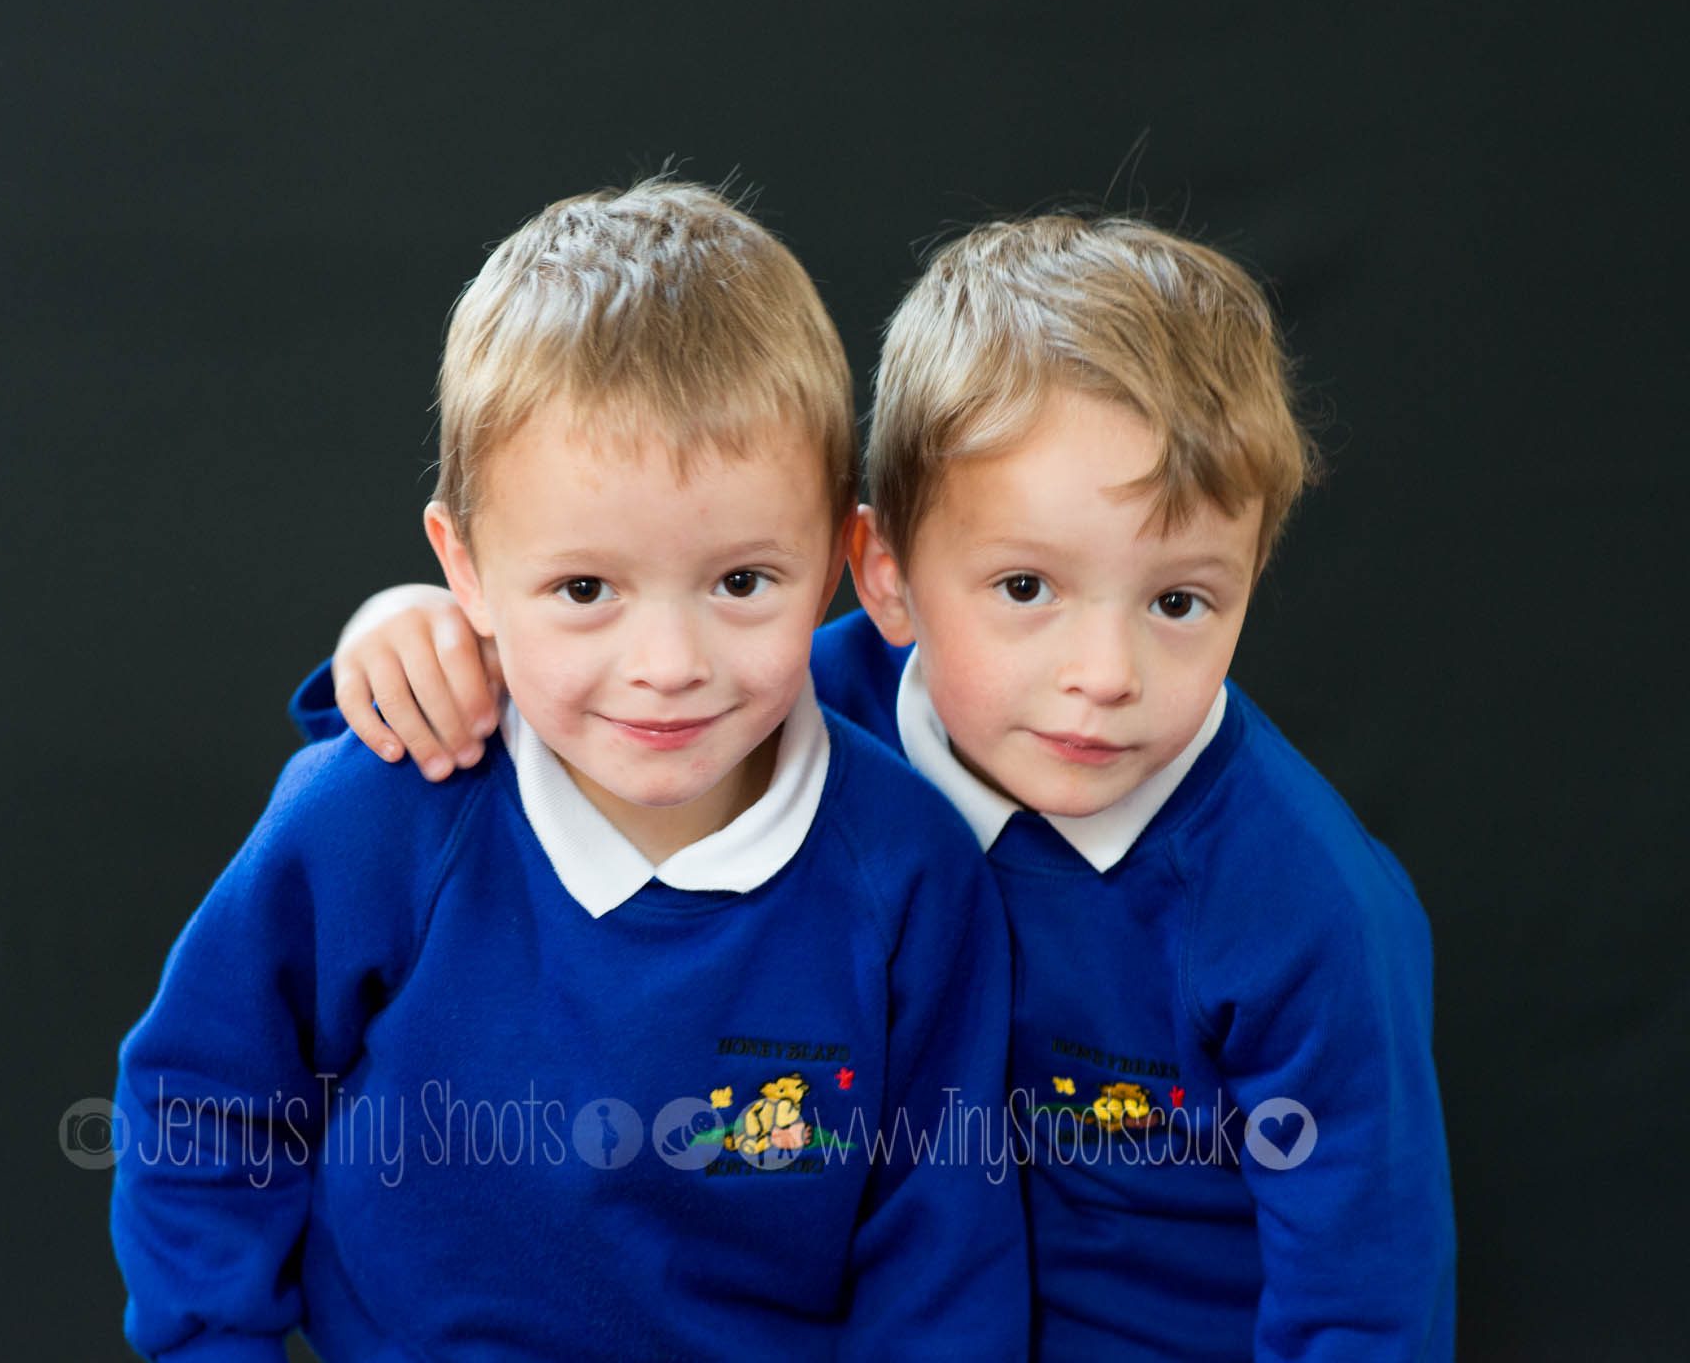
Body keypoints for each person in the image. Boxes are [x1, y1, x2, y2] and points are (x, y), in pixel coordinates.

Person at [307, 213, 1457, 1360]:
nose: (1102, 676)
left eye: (1177, 602)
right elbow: (536, 723)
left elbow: (1364, 1290)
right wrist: (424, 631)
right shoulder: (781, 704)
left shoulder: (1307, 912)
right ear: (887, 579)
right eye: (1023, 586)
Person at [111, 180, 1030, 1362]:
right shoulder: (385, 810)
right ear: (469, 569)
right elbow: (203, 1102)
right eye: (585, 590)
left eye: (740, 581)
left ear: (841, 562)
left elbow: (938, 1249)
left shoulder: (906, 868)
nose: (667, 665)